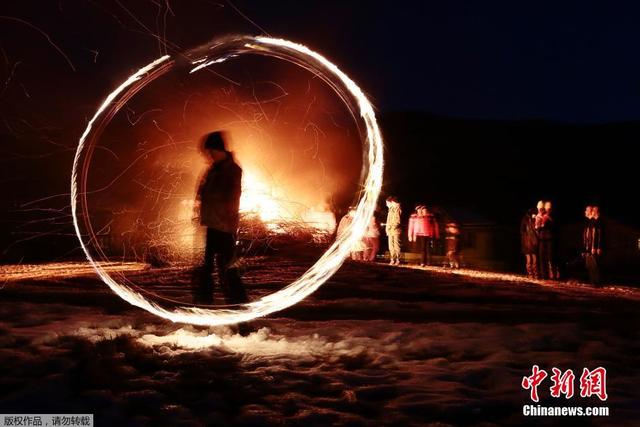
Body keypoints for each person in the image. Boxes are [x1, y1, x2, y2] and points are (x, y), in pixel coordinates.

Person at [194, 131, 248, 305]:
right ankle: (204, 306)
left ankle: (239, 308)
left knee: (228, 271)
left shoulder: (232, 170)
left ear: (217, 149)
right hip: (213, 224)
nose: (207, 156)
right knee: (208, 269)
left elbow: (229, 198)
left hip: (225, 227)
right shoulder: (214, 170)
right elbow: (204, 193)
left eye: (209, 152)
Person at [584, 205, 604, 285]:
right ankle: (592, 281)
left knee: (594, 265)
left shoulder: (597, 222)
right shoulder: (589, 222)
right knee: (589, 265)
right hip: (589, 247)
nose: (587, 212)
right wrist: (585, 248)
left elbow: (598, 236)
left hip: (594, 247)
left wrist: (597, 247)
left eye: (591, 210)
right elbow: (586, 235)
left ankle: (596, 282)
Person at [520, 208, 539, 278]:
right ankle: (531, 274)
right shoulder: (525, 219)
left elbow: (537, 229)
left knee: (534, 258)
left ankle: (535, 274)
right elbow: (522, 231)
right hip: (527, 242)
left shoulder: (535, 219)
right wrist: (525, 239)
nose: (534, 215)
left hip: (533, 241)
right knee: (529, 259)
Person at [385, 196, 402, 265]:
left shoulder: (397, 209)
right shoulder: (391, 210)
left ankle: (398, 259)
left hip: (396, 230)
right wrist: (387, 228)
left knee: (396, 245)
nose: (387, 204)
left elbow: (398, 221)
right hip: (390, 230)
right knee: (390, 245)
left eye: (387, 203)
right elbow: (388, 220)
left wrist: (393, 226)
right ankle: (392, 259)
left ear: (393, 202)